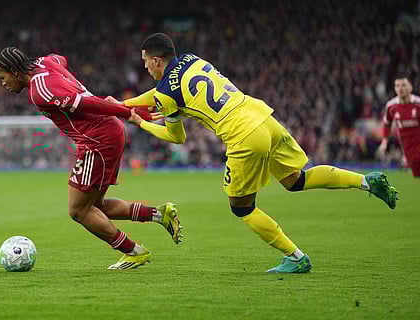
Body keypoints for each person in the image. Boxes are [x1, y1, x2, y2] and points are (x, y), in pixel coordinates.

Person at [109, 33, 399, 273]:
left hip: (242, 136)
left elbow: (176, 136)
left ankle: (296, 258)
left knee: (241, 207)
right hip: (262, 117)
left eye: (146, 62)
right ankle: (366, 181)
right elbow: (158, 95)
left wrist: (141, 122)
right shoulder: (192, 60)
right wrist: (125, 105)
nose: (146, 68)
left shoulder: (165, 93)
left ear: (156, 60)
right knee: (296, 180)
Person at [0, 47, 183, 270]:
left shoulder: (40, 91)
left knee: (78, 211)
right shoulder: (45, 63)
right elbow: (60, 58)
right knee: (96, 206)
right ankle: (160, 214)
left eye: (2, 77)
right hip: (106, 134)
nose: (3, 84)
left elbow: (86, 104)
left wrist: (125, 110)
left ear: (14, 72)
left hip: (97, 140)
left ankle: (133, 252)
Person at [377, 76, 420, 178]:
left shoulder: (418, 104)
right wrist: (384, 142)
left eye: (404, 85)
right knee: (416, 177)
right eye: (397, 86)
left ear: (410, 87)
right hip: (407, 148)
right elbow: (387, 123)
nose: (400, 88)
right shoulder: (391, 106)